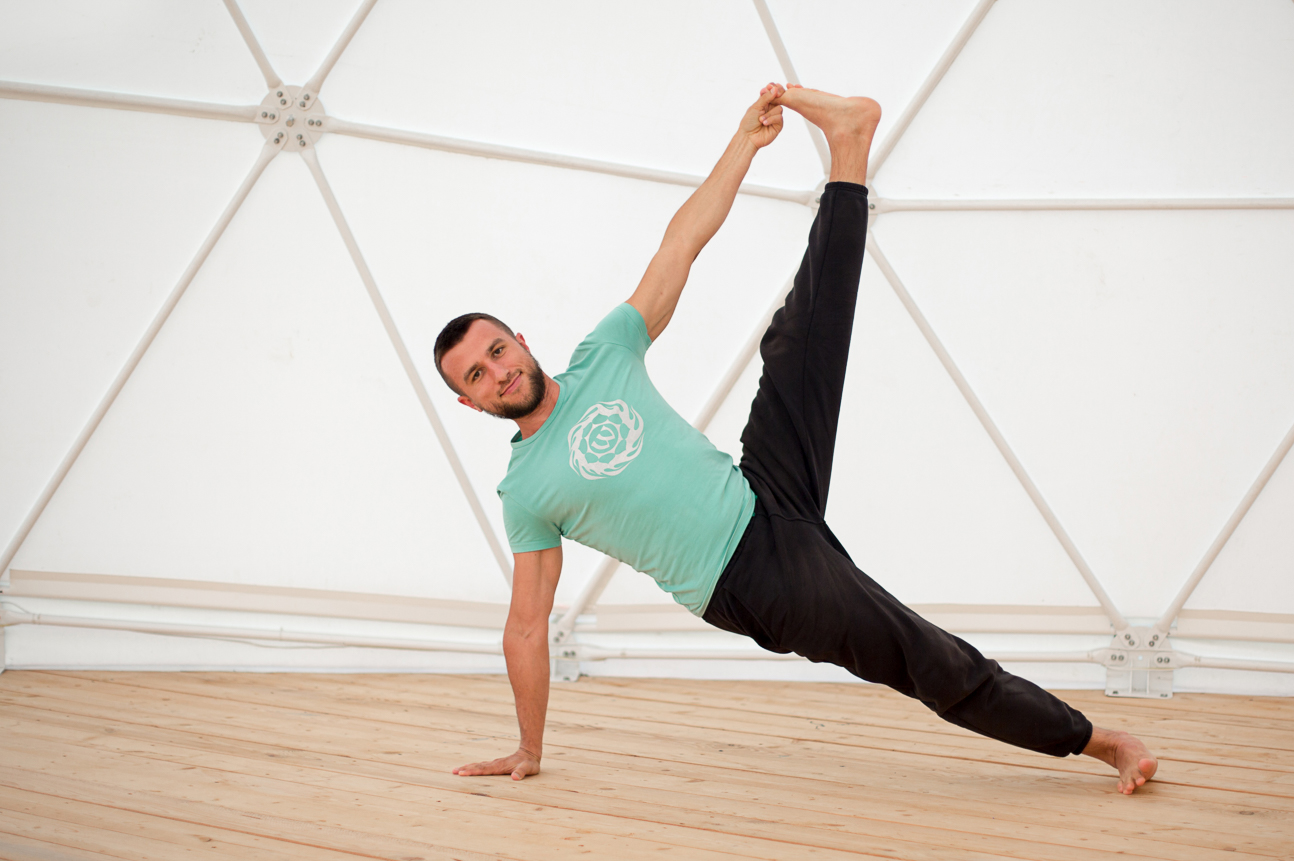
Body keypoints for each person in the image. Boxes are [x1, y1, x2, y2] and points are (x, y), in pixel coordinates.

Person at [435, 84, 1158, 793]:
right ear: (470, 401)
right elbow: (525, 626)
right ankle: (1100, 741)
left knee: (800, 340)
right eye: (477, 374)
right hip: (748, 578)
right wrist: (528, 745)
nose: (498, 371)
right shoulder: (525, 490)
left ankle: (849, 146)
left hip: (762, 486)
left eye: (497, 350)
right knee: (918, 652)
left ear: (520, 339)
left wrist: (744, 143)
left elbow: (680, 243)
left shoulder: (604, 351)